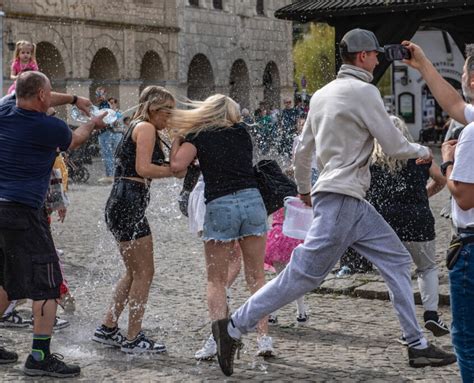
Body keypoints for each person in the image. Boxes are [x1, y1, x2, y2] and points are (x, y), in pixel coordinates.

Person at [210, 28, 456, 377]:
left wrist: (305, 188)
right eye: (374, 54)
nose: (377, 59)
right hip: (343, 198)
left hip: (345, 199)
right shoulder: (364, 91)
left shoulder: (322, 95)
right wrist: (421, 151)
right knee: (302, 275)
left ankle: (416, 345)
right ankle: (233, 326)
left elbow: (302, 149)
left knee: (398, 260)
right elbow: (395, 144)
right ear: (361, 57)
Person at [0, 71, 106, 376]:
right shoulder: (47, 127)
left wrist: (75, 99)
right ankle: (39, 356)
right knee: (47, 285)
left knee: (4, 280)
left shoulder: (5, 109)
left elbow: (31, 92)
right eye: (50, 93)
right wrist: (92, 122)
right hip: (24, 212)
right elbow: (75, 139)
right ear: (43, 97)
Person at [170, 94, 275, 358]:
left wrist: (178, 139)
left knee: (216, 280)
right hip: (253, 202)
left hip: (221, 205)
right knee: (257, 278)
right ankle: (264, 340)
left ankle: (217, 341)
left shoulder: (199, 135)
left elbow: (177, 167)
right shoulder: (242, 132)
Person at [404, 41, 474, 383]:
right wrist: (424, 65)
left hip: (472, 246)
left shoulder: (473, 133)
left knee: (467, 338)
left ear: (473, 80)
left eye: (463, 72)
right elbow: (456, 104)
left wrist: (447, 160)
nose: (460, 78)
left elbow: (463, 197)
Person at [92, 86, 178, 354]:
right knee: (145, 272)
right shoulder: (147, 128)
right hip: (130, 201)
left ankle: (107, 327)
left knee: (133, 271)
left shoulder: (137, 126)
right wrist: (175, 171)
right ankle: (133, 336)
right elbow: (143, 168)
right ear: (154, 109)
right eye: (168, 112)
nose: (170, 118)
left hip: (121, 201)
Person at [366, 115, 449, 339]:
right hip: (419, 220)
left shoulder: (370, 162)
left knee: (396, 277)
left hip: (386, 226)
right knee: (427, 268)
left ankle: (408, 326)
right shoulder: (419, 156)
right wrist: (424, 194)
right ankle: (431, 313)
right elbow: (441, 180)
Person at [187, 174, 243, 360]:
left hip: (225, 193)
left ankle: (220, 335)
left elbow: (178, 164)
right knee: (221, 271)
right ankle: (220, 334)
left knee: (222, 274)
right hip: (219, 193)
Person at [95, 87, 115, 184]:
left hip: (104, 132)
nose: (98, 96)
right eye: (97, 94)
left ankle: (110, 175)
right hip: (105, 131)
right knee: (108, 153)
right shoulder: (104, 104)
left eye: (100, 94)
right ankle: (110, 174)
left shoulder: (104, 104)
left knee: (107, 153)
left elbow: (105, 118)